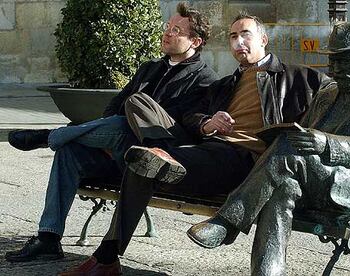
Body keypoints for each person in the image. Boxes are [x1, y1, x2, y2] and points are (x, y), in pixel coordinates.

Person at [58, 13, 332, 276]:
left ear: (263, 40)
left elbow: (338, 96)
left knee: (147, 162)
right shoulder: (224, 85)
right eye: (233, 36)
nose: (239, 42)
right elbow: (190, 117)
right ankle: (107, 259)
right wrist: (208, 123)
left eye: (245, 34)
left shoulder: (298, 78)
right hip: (208, 152)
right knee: (142, 160)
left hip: (249, 162)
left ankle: (159, 163)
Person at [186, 22, 350, 276]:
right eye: (332, 62)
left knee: (288, 149)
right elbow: (305, 129)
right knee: (284, 186)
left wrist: (323, 143)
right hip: (316, 178)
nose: (335, 70)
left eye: (344, 62)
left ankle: (227, 221)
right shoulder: (329, 92)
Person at [5, 2, 217, 263]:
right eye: (168, 27)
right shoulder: (150, 68)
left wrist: (121, 127)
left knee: (128, 115)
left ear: (195, 41)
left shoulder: (205, 79)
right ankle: (48, 238)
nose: (168, 33)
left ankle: (51, 135)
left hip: (153, 160)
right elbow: (114, 106)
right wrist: (102, 139)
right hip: (115, 151)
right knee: (70, 150)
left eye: (177, 30)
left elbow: (180, 128)